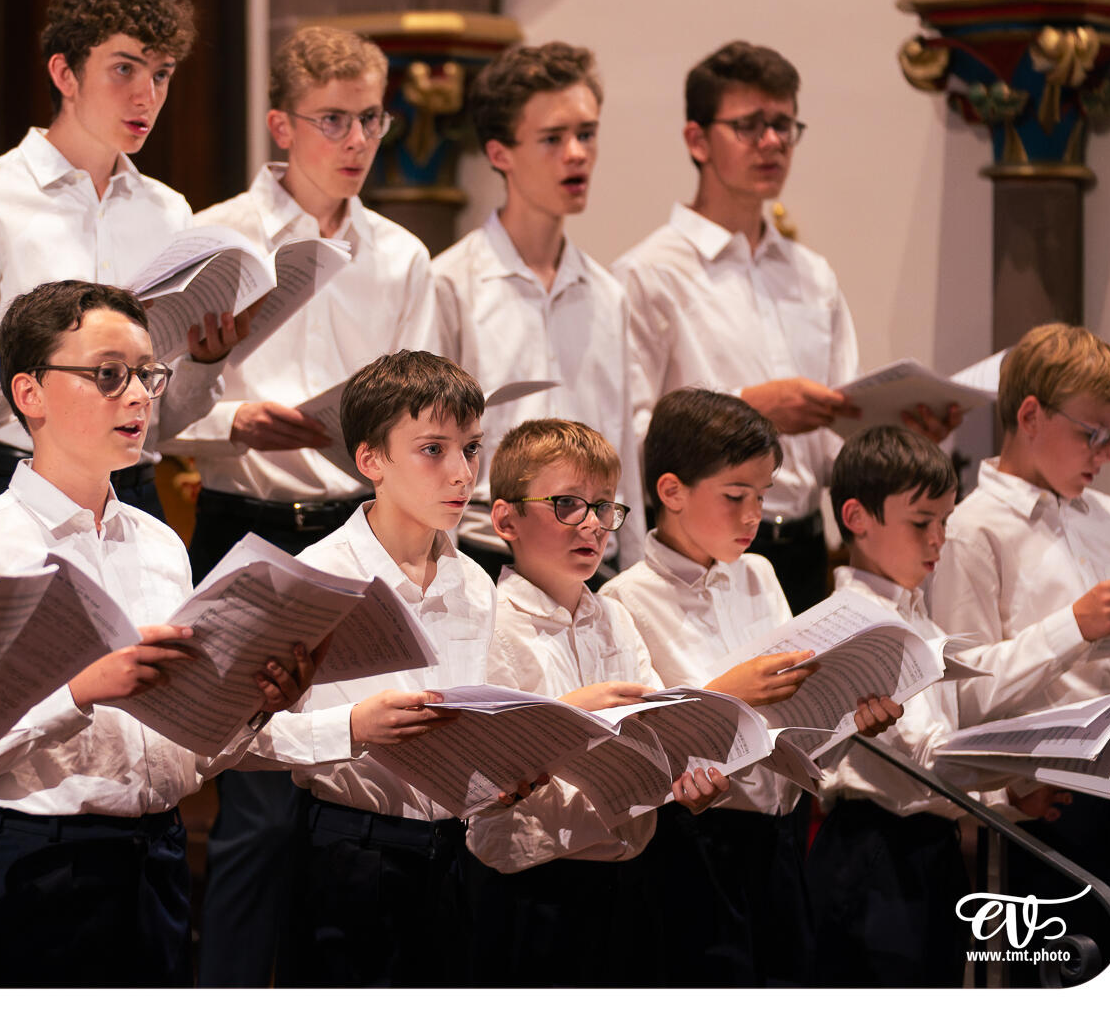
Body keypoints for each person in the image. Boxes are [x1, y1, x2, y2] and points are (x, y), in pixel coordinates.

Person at [0, 281, 326, 987]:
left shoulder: (163, 545)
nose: (137, 395)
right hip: (31, 870)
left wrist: (253, 703)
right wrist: (78, 692)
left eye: (146, 373)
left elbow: (181, 752)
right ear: (30, 392)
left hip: (155, 860)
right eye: (109, 374)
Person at [169, 24, 438, 986]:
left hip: (354, 526)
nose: (357, 139)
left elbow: (422, 403)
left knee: (353, 786)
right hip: (246, 515)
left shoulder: (403, 256)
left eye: (371, 118)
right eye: (334, 119)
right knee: (255, 793)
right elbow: (153, 408)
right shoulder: (220, 234)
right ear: (282, 124)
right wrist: (236, 415)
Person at [612, 40, 959, 615]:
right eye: (749, 125)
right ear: (697, 139)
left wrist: (900, 436)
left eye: (782, 125)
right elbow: (628, 436)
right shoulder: (649, 274)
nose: (771, 142)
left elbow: (833, 440)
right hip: (697, 551)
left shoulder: (810, 275)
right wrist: (751, 409)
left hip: (801, 541)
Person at [0, 0, 239, 524]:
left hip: (133, 487)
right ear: (65, 74)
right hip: (15, 483)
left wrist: (205, 365)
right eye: (124, 69)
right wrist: (50, 358)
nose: (147, 95)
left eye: (162, 74)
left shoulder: (168, 211)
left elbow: (165, 421)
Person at [602, 388, 900, 985]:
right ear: (671, 491)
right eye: (736, 496)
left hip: (779, 835)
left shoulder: (759, 573)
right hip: (696, 845)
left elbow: (795, 711)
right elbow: (640, 745)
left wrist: (847, 715)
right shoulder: (626, 597)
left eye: (762, 497)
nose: (753, 516)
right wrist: (729, 691)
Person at [810, 424, 1100, 986]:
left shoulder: (918, 618)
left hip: (929, 851)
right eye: (922, 523)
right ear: (856, 518)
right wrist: (1016, 766)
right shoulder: (854, 622)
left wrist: (1012, 793)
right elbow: (929, 760)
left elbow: (945, 746)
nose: (938, 539)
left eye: (945, 521)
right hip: (873, 856)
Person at [270, 349, 505, 986]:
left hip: (455, 853)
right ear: (372, 460)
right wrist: (352, 726)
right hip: (350, 851)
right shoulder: (316, 576)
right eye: (434, 449)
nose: (462, 473)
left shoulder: (477, 584)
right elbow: (242, 737)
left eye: (472, 448)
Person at [468, 418, 730, 986]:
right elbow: (481, 784)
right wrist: (571, 715)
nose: (591, 523)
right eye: (567, 504)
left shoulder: (614, 615)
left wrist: (692, 773)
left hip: (628, 876)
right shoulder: (489, 624)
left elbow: (660, 729)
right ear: (505, 518)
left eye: (605, 507)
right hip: (533, 888)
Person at [928, 322, 1110, 979]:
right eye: (1092, 434)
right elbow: (968, 694)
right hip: (1041, 804)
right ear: (1031, 415)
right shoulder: (972, 528)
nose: (1104, 454)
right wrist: (1075, 625)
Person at [429, 42, 643, 582]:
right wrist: (444, 576)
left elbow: (625, 442)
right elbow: (430, 445)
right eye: (553, 138)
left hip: (594, 558)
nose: (577, 154)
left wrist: (636, 572)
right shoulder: (453, 282)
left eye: (587, 134)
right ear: (500, 153)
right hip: (488, 555)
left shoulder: (607, 292)